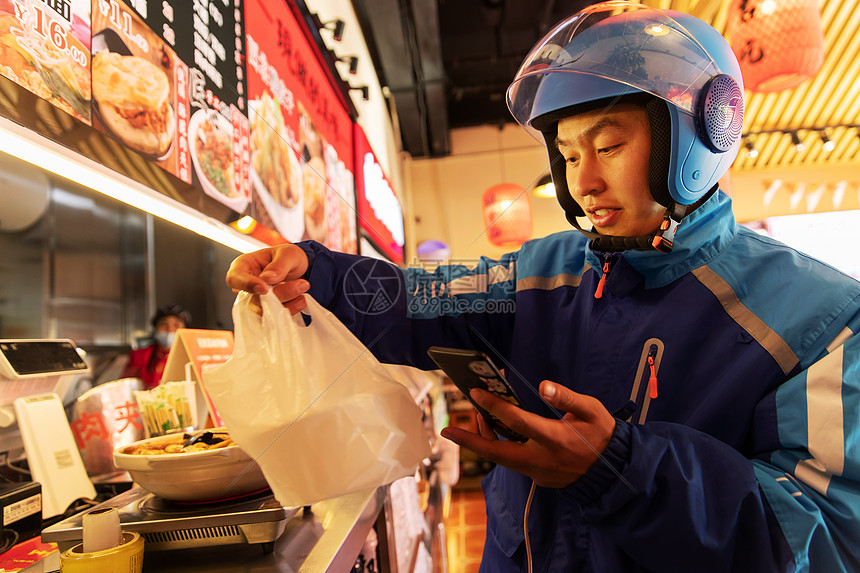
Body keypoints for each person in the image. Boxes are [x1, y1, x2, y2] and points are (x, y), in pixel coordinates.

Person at [226, 3, 860, 571]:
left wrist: (622, 471)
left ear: (701, 136)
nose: (583, 181)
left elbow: (830, 536)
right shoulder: (545, 269)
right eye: (567, 153)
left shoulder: (822, 319)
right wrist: (318, 275)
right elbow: (419, 299)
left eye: (609, 145)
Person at [122, 304, 190, 390]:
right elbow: (125, 385)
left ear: (185, 329)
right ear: (155, 330)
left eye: (176, 325)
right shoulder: (139, 355)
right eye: (164, 324)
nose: (170, 329)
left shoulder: (190, 355)